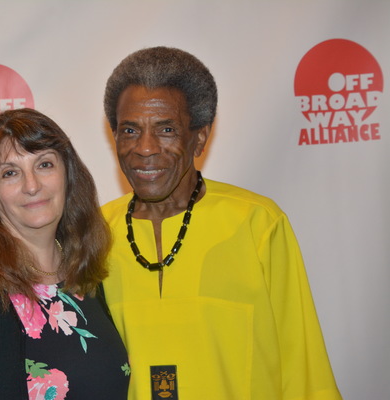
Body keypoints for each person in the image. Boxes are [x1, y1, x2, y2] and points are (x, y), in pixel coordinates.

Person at [101, 46, 342, 400]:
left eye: (166, 129)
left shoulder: (256, 223)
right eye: (130, 130)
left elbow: (304, 367)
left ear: (199, 137)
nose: (145, 148)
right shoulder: (91, 234)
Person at [0, 108, 130, 399]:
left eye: (44, 165)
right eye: (10, 173)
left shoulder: (88, 276)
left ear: (68, 175)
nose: (32, 185)